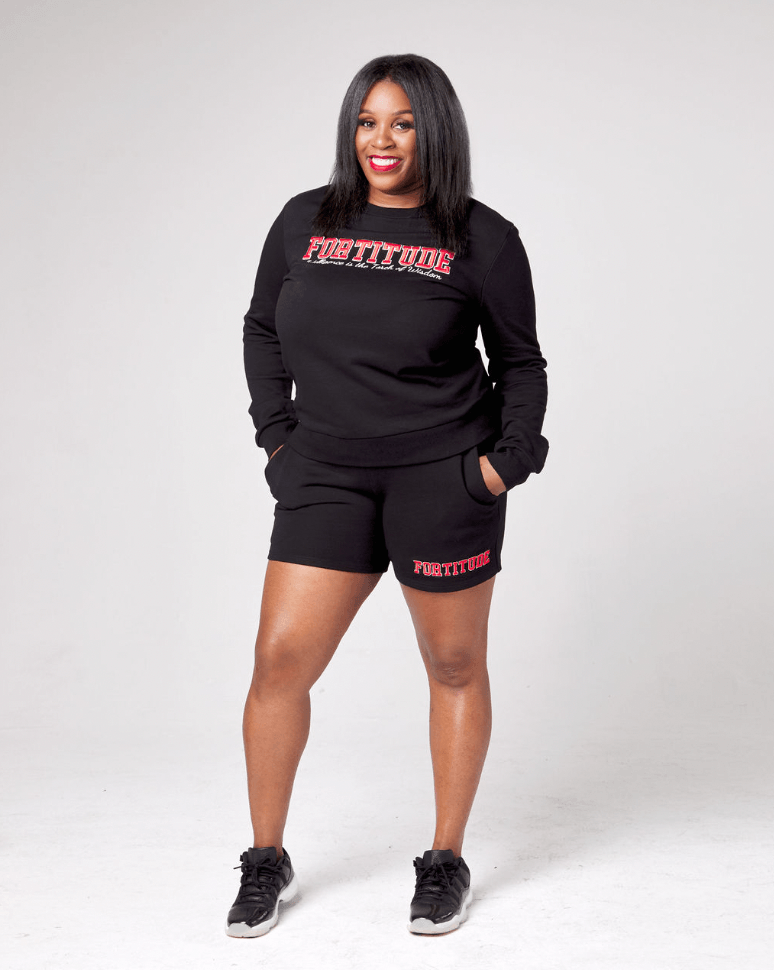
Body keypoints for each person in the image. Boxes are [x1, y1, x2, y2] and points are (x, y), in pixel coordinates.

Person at [225, 53, 549, 938]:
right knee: (279, 663)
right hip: (324, 474)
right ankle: (265, 857)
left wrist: (503, 464)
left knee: (453, 665)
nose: (382, 140)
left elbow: (520, 363)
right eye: (367, 121)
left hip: (442, 478)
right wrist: (277, 438)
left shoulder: (483, 238)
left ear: (433, 131)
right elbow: (261, 329)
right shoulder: (303, 221)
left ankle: (444, 859)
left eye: (403, 123)